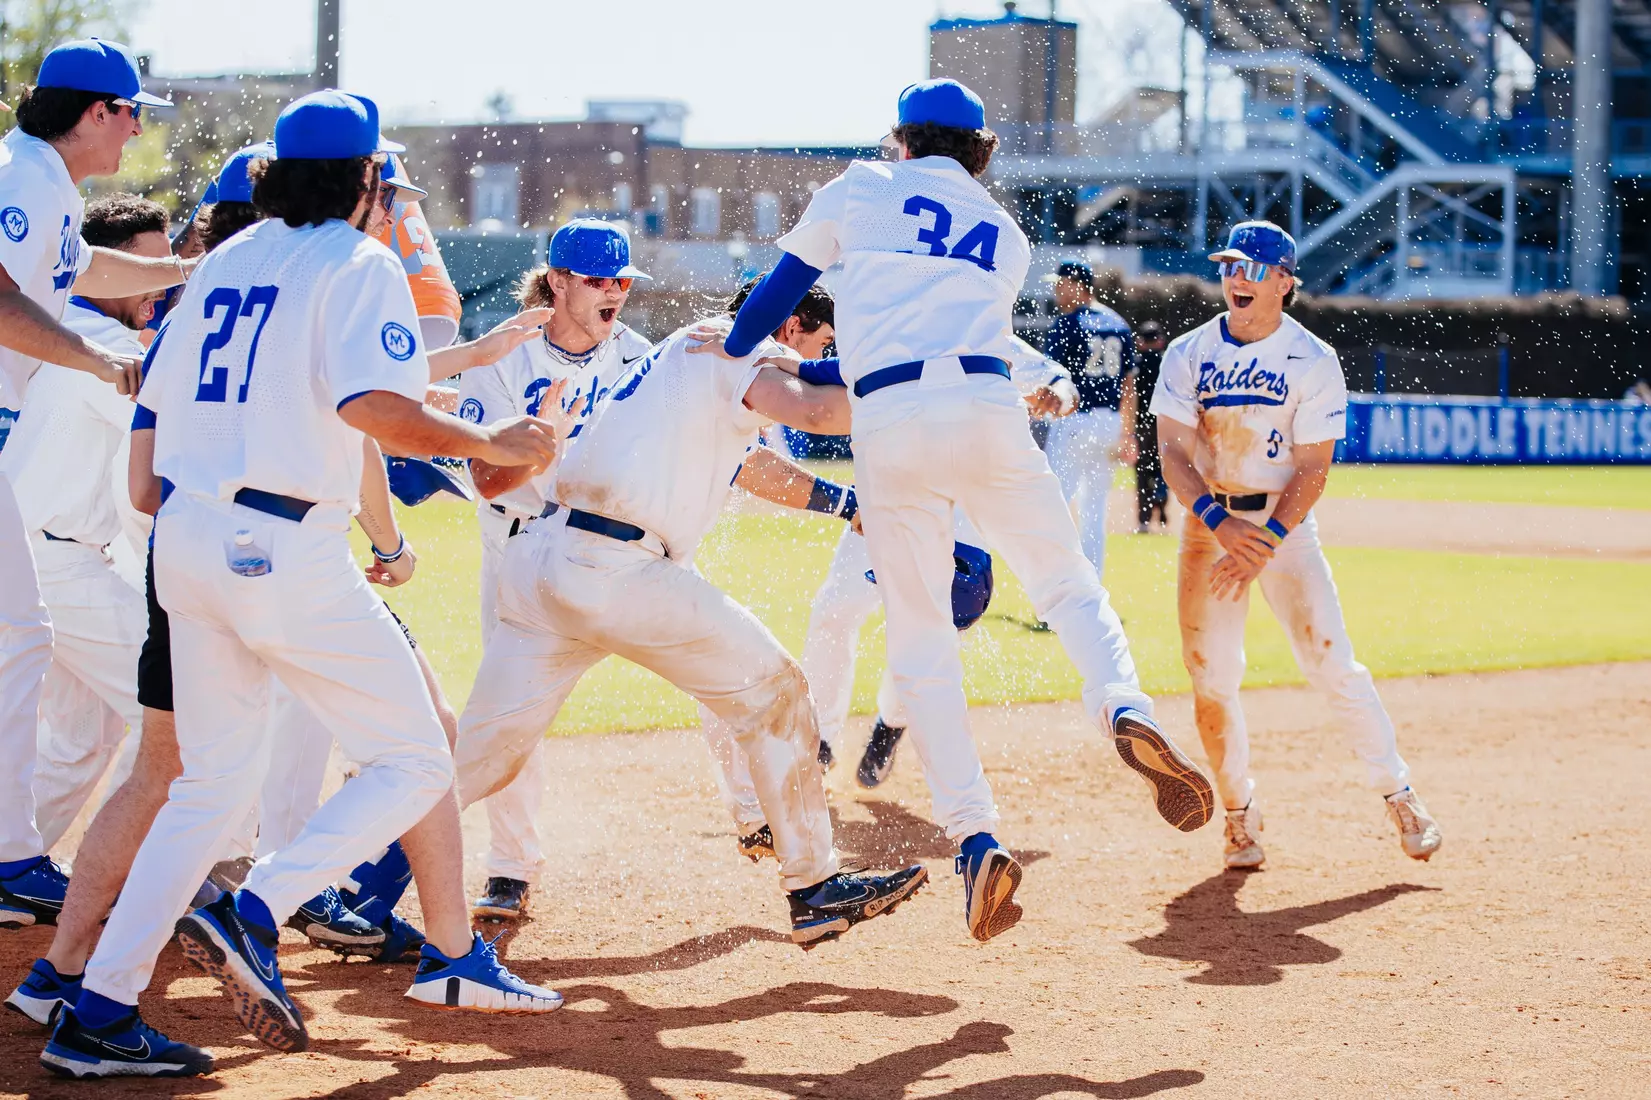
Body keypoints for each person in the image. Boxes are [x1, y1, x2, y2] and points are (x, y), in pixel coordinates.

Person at [38, 90, 564, 1081]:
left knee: (206, 790)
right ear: (368, 182)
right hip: (280, 545)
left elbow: (146, 474)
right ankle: (257, 905)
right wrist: (493, 440)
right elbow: (376, 405)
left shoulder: (227, 260)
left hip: (184, 539)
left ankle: (99, 1006)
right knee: (415, 759)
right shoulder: (360, 261)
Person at [712, 79, 1214, 943]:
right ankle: (1123, 705)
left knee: (918, 637)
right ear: (979, 151)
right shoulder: (1006, 233)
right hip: (989, 408)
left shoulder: (862, 186)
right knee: (1066, 585)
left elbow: (772, 303)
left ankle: (975, 835)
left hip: (892, 422)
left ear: (901, 138)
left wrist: (731, 355)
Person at [454, 289, 929, 950]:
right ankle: (814, 885)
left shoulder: (685, 353)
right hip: (617, 569)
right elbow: (815, 410)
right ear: (789, 325)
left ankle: (340, 882)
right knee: (777, 690)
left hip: (542, 562)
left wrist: (845, 503)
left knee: (471, 760)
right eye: (820, 348)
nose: (819, 361)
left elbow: (752, 466)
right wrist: (926, 387)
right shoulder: (734, 346)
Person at [1151, 220, 1442, 871]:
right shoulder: (1188, 353)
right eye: (1228, 266)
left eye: (1251, 268)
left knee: (1333, 664)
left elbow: (1312, 467)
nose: (1235, 279)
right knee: (1212, 678)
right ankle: (1237, 817)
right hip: (1209, 529)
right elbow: (1171, 452)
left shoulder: (1311, 358)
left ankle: (1398, 793)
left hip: (1283, 531)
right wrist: (1220, 526)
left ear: (1284, 281)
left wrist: (1267, 539)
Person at [0, 38, 193, 929]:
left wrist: (192, 270)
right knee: (22, 641)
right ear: (98, 111)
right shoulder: (26, 173)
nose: (139, 125)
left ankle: (12, 855)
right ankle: (8, 858)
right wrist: (86, 352)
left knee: (27, 647)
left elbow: (89, 270)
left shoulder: (45, 179)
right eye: (133, 110)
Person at [456, 217, 652, 923]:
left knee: (714, 660)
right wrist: (541, 442)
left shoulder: (636, 356)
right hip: (518, 548)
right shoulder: (504, 355)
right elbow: (482, 477)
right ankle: (508, 869)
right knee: (510, 717)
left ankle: (769, 830)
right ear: (557, 280)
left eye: (622, 280)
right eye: (597, 279)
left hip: (606, 550)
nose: (613, 293)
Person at [778, 335, 1073, 791]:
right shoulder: (886, 328)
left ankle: (891, 724)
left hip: (959, 505)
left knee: (931, 626)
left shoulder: (981, 330)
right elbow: (821, 375)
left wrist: (1060, 394)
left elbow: (1057, 378)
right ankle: (820, 742)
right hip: (886, 495)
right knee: (835, 609)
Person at [0, 193, 169, 852]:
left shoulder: (66, 328)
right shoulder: (104, 344)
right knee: (173, 714)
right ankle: (150, 876)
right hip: (54, 561)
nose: (160, 284)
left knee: (79, 739)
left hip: (48, 553)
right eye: (149, 269)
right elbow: (173, 441)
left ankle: (15, 863)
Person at [1040, 260, 1136, 575]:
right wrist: (1127, 433)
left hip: (1075, 421)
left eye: (1061, 283)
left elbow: (1049, 380)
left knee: (1054, 507)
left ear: (1078, 285)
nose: (1056, 290)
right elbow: (1128, 386)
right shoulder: (1119, 323)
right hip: (1109, 422)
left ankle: (1057, 584)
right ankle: (1091, 584)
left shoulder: (1067, 324)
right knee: (1094, 510)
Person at [1131, 320, 1170, 533]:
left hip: (1143, 425)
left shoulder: (1137, 365)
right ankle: (1162, 505)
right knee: (1165, 469)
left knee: (1142, 472)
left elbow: (1131, 395)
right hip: (1164, 424)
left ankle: (1143, 520)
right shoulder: (1167, 364)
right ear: (1160, 341)